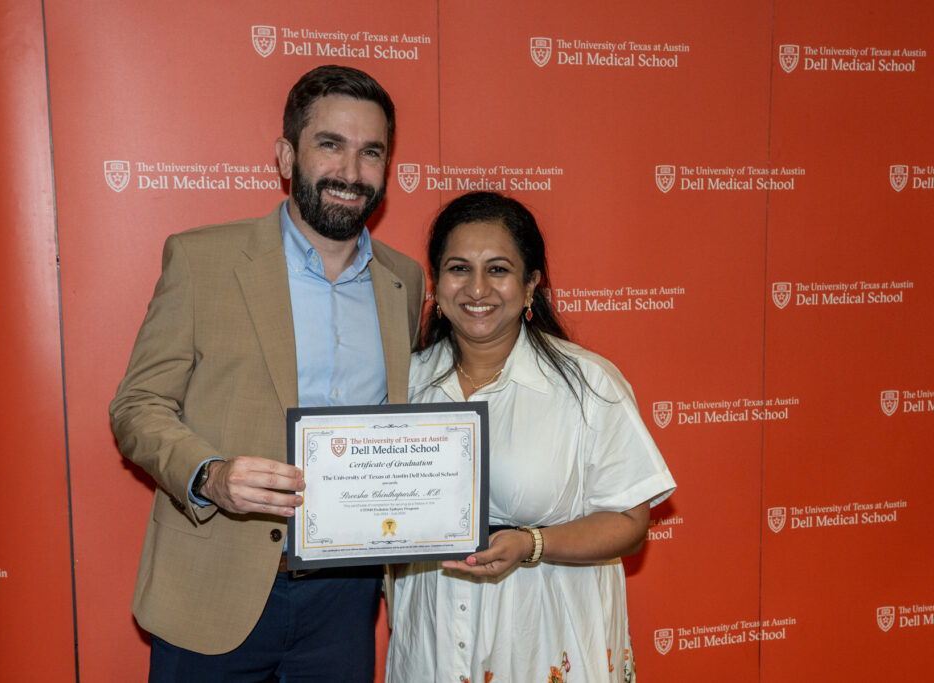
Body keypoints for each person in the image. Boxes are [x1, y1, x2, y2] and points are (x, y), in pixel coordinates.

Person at [109, 65, 425, 682]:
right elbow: (137, 405)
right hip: (213, 589)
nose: (351, 172)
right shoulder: (202, 260)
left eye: (371, 152)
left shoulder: (404, 281)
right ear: (286, 156)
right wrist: (211, 476)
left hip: (345, 600)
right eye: (330, 145)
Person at [385, 191, 675, 683]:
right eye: (459, 269)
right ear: (436, 281)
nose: (477, 288)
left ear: (530, 285)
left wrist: (531, 544)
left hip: (543, 636)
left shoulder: (588, 385)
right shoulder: (403, 384)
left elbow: (631, 522)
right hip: (432, 634)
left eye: (498, 269)